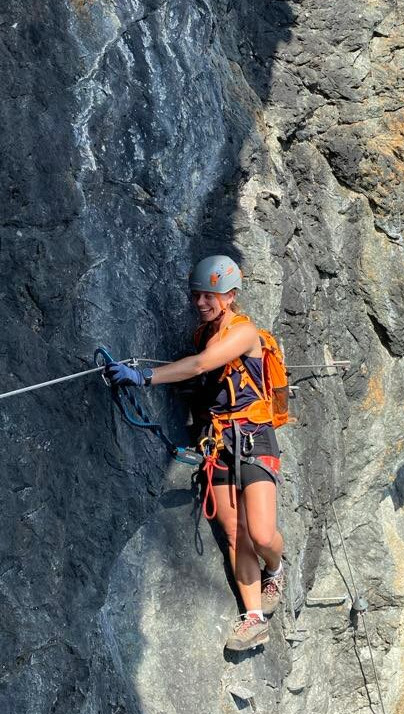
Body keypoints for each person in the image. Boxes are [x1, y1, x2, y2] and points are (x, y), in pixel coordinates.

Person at [105, 254, 285, 651]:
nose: (201, 302)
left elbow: (202, 365)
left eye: (210, 296)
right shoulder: (203, 334)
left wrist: (145, 377)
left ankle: (274, 567)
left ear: (231, 296)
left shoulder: (244, 333)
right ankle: (253, 618)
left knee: (261, 533)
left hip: (255, 437)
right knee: (234, 532)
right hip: (219, 443)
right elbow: (205, 376)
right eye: (197, 295)